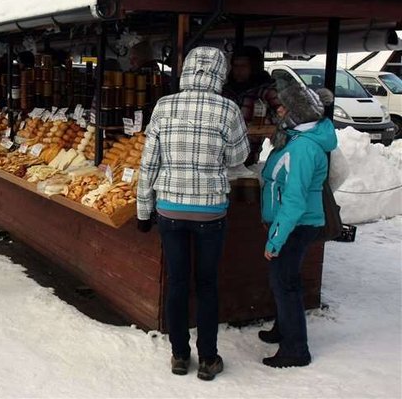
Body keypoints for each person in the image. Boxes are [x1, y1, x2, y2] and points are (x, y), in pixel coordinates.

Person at [136, 46, 249, 381]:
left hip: (170, 209)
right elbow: (237, 157)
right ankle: (209, 358)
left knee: (177, 283)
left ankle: (179, 356)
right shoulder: (227, 109)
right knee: (207, 284)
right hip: (210, 212)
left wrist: (144, 211)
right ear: (220, 72)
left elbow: (149, 163)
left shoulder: (164, 106)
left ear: (185, 69)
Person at [259, 81, 335, 368]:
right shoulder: (295, 138)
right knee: (283, 280)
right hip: (292, 223)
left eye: (284, 106)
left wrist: (275, 239)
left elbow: (294, 200)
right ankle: (283, 329)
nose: (278, 110)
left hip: (295, 225)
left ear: (298, 113)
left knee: (285, 284)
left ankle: (295, 349)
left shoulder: (302, 148)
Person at [222, 46, 281, 165]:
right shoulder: (226, 91)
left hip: (249, 156)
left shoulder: (266, 90)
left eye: (243, 66)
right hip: (222, 153)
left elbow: (283, 114)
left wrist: (263, 123)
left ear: (254, 68)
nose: (238, 71)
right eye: (235, 66)